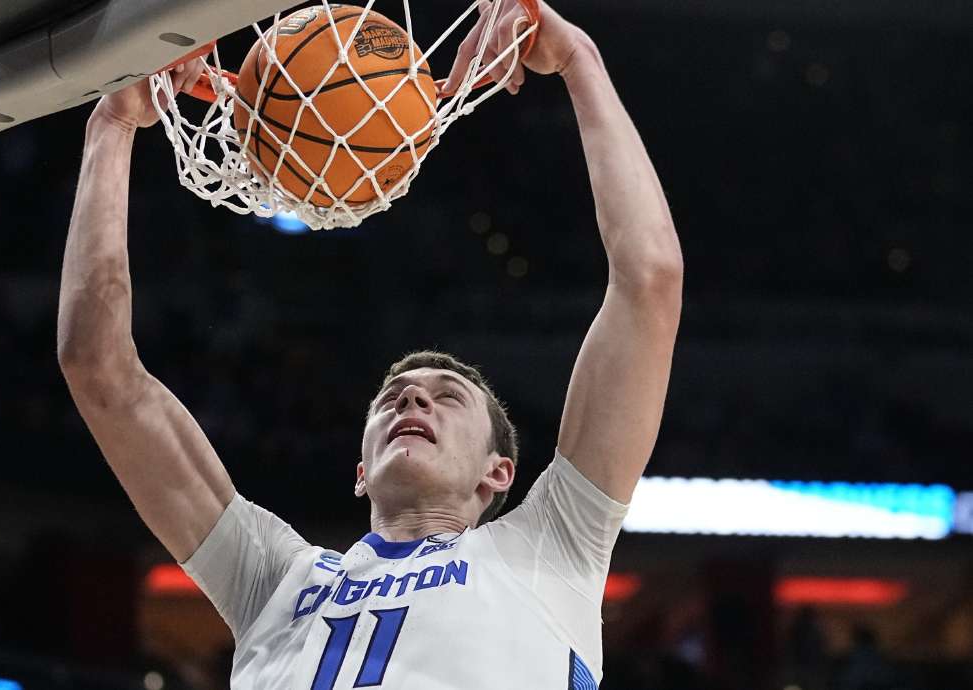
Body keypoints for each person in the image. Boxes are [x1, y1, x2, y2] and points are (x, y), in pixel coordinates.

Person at [56, 1, 682, 687]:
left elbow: (648, 281)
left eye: (448, 398)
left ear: (497, 472)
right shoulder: (274, 580)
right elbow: (99, 368)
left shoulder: (549, 548)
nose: (413, 395)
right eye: (392, 398)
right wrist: (111, 127)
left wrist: (577, 60)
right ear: (361, 470)